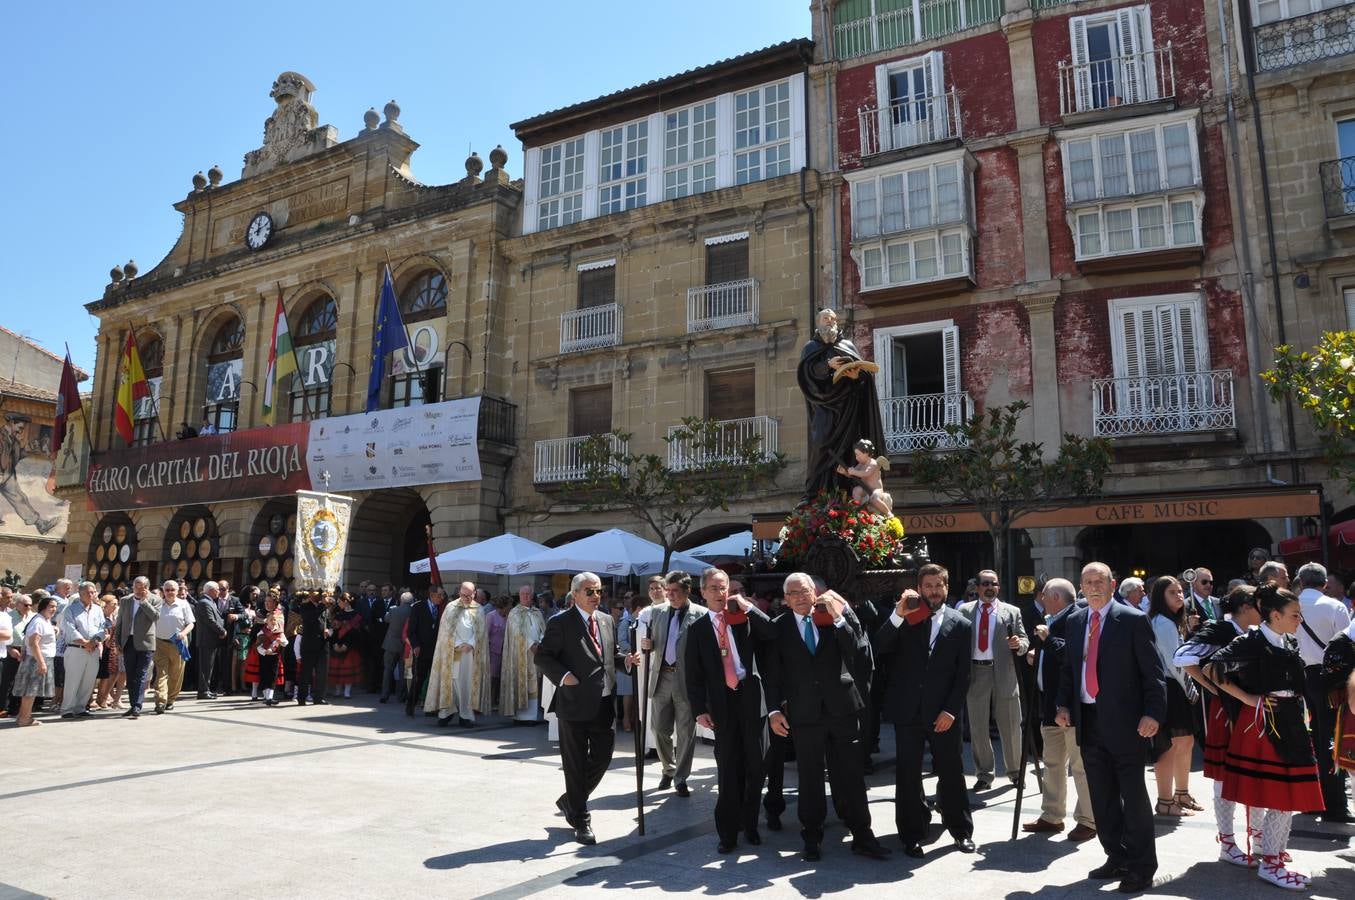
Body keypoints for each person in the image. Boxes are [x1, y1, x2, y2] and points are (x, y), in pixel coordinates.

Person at [762, 572, 890, 862]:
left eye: (804, 591)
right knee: (809, 778)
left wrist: (839, 617)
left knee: (851, 775)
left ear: (814, 592)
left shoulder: (830, 619)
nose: (800, 597)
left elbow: (857, 651)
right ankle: (811, 836)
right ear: (786, 598)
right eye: (793, 593)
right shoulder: (778, 628)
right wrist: (773, 711)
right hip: (805, 714)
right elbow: (772, 675)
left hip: (842, 709)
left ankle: (862, 835)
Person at [1055, 562, 1166, 895]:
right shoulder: (1075, 621)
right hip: (1088, 722)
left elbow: (1154, 673)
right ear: (1081, 586)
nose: (1093, 587)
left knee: (1133, 799)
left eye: (1099, 581)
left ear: (1112, 584)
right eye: (1087, 582)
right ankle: (1116, 856)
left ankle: (1141, 867)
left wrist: (1153, 714)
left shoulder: (1131, 619)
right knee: (1101, 799)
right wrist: (1062, 705)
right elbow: (1068, 671)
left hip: (1127, 725)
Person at [1209, 585, 1323, 890]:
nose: (1299, 620)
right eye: (1294, 615)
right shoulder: (1252, 640)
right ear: (1275, 615)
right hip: (1265, 723)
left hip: (1288, 720)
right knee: (1280, 795)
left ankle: (1271, 853)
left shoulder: (1285, 639)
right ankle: (1270, 863)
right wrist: (1248, 699)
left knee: (1287, 795)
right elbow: (1213, 667)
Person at [876, 564, 976, 858]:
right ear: (919, 588)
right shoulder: (906, 617)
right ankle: (912, 833)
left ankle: (960, 830)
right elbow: (878, 646)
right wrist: (898, 615)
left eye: (939, 585)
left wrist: (951, 711)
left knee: (952, 772)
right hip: (908, 711)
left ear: (947, 588)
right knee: (908, 775)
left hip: (944, 713)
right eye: (928, 585)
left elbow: (963, 675)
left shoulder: (960, 624)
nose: (934, 591)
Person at [534, 571, 640, 845]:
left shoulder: (605, 620)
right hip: (574, 703)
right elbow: (543, 657)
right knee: (575, 762)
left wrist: (626, 660)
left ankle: (571, 799)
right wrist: (564, 676)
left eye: (599, 591)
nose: (596, 596)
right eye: (590, 591)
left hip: (604, 701)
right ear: (576, 594)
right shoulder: (561, 622)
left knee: (604, 756)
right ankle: (580, 818)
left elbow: (610, 653)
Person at [684, 568, 772, 853]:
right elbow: (693, 675)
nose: (720, 594)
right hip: (721, 705)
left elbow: (772, 633)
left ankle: (750, 824)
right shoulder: (696, 630)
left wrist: (751, 611)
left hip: (750, 698)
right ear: (703, 592)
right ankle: (727, 832)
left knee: (756, 767)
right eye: (713, 588)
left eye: (724, 588)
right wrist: (699, 710)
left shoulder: (743, 619)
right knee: (728, 770)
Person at [1175, 584, 1263, 866]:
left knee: (1256, 772)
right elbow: (1184, 657)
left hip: (1253, 711)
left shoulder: (1258, 632)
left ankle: (1259, 838)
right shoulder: (1222, 630)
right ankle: (1227, 841)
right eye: (1260, 605)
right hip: (1227, 711)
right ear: (1247, 607)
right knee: (1225, 776)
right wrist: (1214, 688)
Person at [1024, 577, 1097, 842]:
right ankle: (1052, 815)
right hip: (1050, 703)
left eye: (1044, 595)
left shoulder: (1077, 618)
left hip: (1070, 706)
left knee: (1079, 766)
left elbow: (1074, 656)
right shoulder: (1055, 619)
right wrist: (1038, 653)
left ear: (1054, 597)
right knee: (1052, 763)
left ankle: (1088, 819)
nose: (1041, 599)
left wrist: (1048, 639)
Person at [796, 307, 887, 502]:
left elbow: (863, 378)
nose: (830, 322)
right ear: (819, 322)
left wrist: (856, 376)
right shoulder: (810, 348)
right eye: (826, 319)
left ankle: (846, 493)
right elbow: (805, 376)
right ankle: (814, 495)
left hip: (848, 409)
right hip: (823, 407)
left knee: (848, 450)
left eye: (833, 319)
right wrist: (828, 366)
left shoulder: (847, 345)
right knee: (820, 445)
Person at [1292, 561, 1352, 822]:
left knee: (1312, 739)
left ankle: (1313, 800)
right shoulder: (1334, 606)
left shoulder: (1289, 606)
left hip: (1302, 676)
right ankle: (1335, 805)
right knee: (1333, 738)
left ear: (1301, 582)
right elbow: (1346, 644)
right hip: (1332, 680)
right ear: (1325, 583)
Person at [959, 569, 1030, 790]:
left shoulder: (1012, 611)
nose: (990, 587)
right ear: (977, 587)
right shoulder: (964, 611)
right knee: (978, 727)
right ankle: (984, 774)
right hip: (976, 673)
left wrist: (1020, 645)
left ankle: (1015, 772)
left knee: (1010, 725)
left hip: (1005, 673)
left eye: (994, 584)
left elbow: (1025, 639)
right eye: (986, 584)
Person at [638, 571, 707, 795]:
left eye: (675, 591)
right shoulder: (656, 613)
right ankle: (668, 768)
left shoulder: (701, 614)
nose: (670, 595)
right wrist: (647, 645)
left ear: (688, 591)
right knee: (659, 729)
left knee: (686, 732)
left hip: (687, 680)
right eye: (667, 591)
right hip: (662, 677)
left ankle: (681, 778)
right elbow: (654, 644)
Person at [1146, 575, 1200, 817]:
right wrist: (1191, 689)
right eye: (1172, 592)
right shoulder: (1163, 622)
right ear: (1160, 597)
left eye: (1180, 591)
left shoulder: (1171, 621)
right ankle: (1166, 800)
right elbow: (1175, 662)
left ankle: (1181, 793)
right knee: (1168, 746)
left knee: (1185, 742)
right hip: (1170, 686)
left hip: (1174, 687)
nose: (1180, 595)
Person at [425, 581, 492, 726]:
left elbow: (481, 633)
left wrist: (470, 644)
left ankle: (465, 715)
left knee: (465, 684)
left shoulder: (479, 609)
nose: (466, 598)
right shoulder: (451, 607)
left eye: (469, 595)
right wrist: (456, 644)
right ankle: (446, 713)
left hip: (469, 653)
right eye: (463, 595)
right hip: (452, 651)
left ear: (474, 594)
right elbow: (445, 630)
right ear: (459, 593)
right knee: (450, 682)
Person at [59, 581, 107, 719]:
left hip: (93, 649)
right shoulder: (71, 609)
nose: (90, 595)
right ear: (80, 594)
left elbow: (103, 628)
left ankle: (80, 707)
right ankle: (67, 708)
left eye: (93, 592)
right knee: (73, 680)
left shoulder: (98, 610)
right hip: (76, 649)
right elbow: (70, 628)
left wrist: (95, 641)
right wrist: (85, 642)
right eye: (87, 592)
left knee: (88, 680)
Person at [500, 585, 546, 724]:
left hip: (536, 653)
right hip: (521, 654)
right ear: (519, 596)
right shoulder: (514, 613)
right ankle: (520, 716)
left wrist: (541, 642)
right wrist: (531, 644)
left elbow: (543, 629)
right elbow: (516, 632)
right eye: (523, 594)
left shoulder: (538, 612)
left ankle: (531, 715)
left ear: (532, 596)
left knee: (534, 684)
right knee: (521, 681)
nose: (526, 596)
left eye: (528, 594)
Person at [118, 576, 161, 719]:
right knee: (130, 675)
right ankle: (133, 705)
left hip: (145, 643)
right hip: (128, 642)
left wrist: (144, 602)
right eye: (135, 586)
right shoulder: (125, 601)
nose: (137, 589)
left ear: (146, 588)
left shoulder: (155, 599)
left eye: (141, 586)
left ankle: (137, 705)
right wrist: (118, 642)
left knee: (141, 674)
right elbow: (120, 622)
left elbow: (155, 617)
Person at [13, 596, 59, 726]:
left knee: (30, 691)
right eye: (51, 606)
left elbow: (27, 639)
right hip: (36, 660)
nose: (54, 609)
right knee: (30, 691)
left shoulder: (44, 620)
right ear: (43, 607)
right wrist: (41, 662)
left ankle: (23, 716)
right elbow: (33, 643)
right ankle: (24, 718)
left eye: (55, 607)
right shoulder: (39, 621)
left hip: (37, 658)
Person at [152, 580, 193, 714]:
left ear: (177, 591)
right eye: (167, 590)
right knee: (161, 674)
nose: (169, 592)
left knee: (176, 673)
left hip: (178, 643)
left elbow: (190, 623)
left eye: (172, 590)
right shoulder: (158, 604)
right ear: (163, 591)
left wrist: (183, 633)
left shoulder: (183, 604)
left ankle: (170, 699)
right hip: (160, 643)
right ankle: (160, 701)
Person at [405, 586, 444, 716]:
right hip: (421, 650)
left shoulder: (442, 608)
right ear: (432, 595)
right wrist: (415, 645)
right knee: (418, 679)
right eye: (439, 595)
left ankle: (431, 707)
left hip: (436, 650)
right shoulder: (418, 607)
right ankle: (411, 705)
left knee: (434, 680)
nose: (441, 598)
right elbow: (411, 630)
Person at [835, 438, 893, 517]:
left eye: (858, 454)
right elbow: (853, 474)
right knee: (856, 490)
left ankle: (888, 513)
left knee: (874, 499)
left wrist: (853, 471)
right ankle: (856, 510)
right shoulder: (861, 464)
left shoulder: (873, 463)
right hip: (865, 488)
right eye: (856, 455)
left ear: (866, 453)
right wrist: (845, 472)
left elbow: (866, 473)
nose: (856, 457)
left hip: (876, 489)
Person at [294, 591, 332, 705]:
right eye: (319, 593)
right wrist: (322, 605)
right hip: (309, 645)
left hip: (322, 644)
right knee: (306, 673)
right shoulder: (305, 606)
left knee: (322, 673)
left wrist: (329, 631)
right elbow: (310, 618)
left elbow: (329, 623)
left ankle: (319, 697)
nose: (322, 596)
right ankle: (302, 698)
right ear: (311, 594)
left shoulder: (325, 608)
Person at [192, 581, 228, 700]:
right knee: (205, 667)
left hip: (211, 640)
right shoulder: (204, 603)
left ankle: (206, 689)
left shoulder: (209, 601)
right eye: (217, 589)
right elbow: (210, 620)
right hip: (206, 640)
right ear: (211, 590)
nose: (219, 591)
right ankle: (203, 691)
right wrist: (222, 631)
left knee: (209, 667)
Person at [251, 593, 287, 706]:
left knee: (272, 673)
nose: (267, 603)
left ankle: (269, 697)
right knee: (263, 672)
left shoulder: (279, 614)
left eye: (269, 601)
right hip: (261, 647)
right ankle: (264, 696)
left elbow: (279, 632)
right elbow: (256, 631)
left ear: (275, 603)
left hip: (275, 648)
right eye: (266, 601)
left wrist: (278, 644)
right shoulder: (261, 613)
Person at [327, 593, 364, 699]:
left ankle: (347, 692)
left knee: (348, 670)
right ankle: (338, 691)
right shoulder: (338, 614)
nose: (338, 603)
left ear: (346, 602)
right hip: (337, 645)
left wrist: (347, 645)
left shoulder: (356, 615)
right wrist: (334, 643)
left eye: (340, 601)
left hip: (350, 647)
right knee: (338, 670)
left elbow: (357, 634)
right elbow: (333, 631)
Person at [380, 591, 414, 703]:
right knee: (404, 670)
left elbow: (386, 619)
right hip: (406, 644)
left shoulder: (394, 609)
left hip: (391, 643)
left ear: (401, 600)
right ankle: (401, 695)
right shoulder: (413, 611)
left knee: (388, 669)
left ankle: (384, 694)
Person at [486, 596, 507, 707]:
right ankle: (490, 700)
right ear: (503, 607)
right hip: (493, 650)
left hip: (504, 651)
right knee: (492, 676)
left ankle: (497, 698)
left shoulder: (507, 617)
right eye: (508, 606)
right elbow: (485, 634)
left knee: (499, 676)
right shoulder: (491, 616)